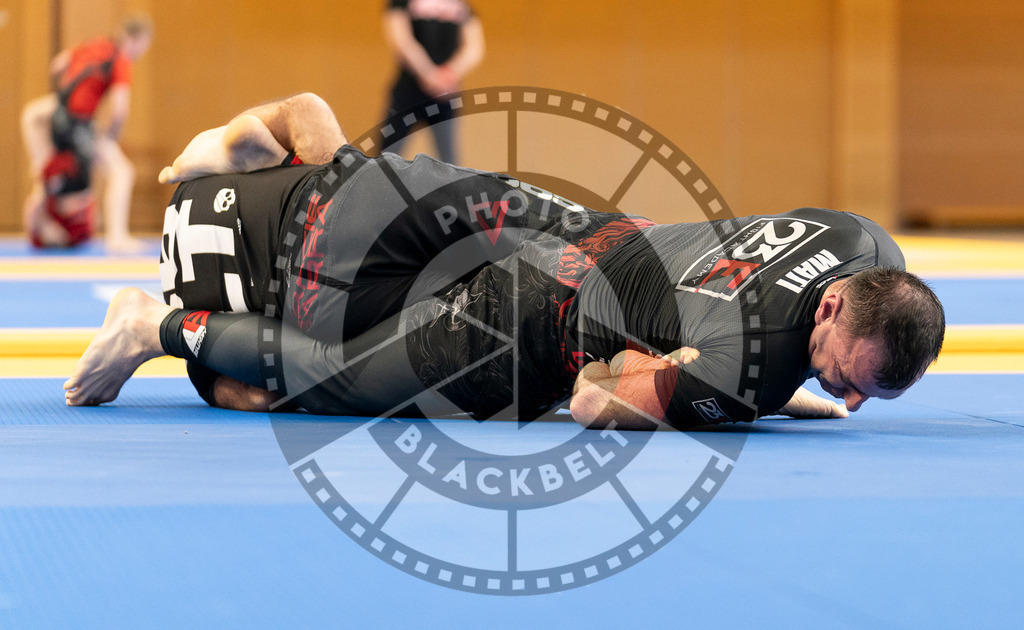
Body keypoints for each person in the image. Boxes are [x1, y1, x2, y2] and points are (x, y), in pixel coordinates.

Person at [63, 93, 945, 431]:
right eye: (851, 377)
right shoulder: (748, 369)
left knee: (360, 177)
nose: (853, 398)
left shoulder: (866, 247)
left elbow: (756, 307)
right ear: (831, 310)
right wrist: (726, 389)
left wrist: (766, 369)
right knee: (328, 378)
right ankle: (159, 325)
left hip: (592, 226)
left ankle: (269, 151)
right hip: (534, 312)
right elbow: (599, 399)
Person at [20, 15, 153, 252]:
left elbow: (58, 65)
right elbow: (120, 110)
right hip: (78, 123)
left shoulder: (96, 45)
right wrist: (110, 135)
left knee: (47, 169)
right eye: (144, 47)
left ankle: (41, 207)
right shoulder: (121, 59)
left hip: (60, 114)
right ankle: (117, 238)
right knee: (122, 172)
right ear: (138, 40)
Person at [378, 0, 485, 163]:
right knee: (386, 158)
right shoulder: (401, 2)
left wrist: (449, 73)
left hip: (446, 95)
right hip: (408, 92)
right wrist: (430, 74)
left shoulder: (462, 4)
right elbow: (401, 40)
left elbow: (474, 47)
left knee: (449, 161)